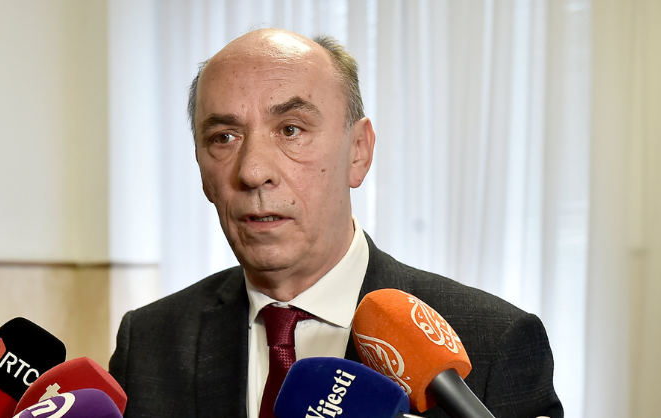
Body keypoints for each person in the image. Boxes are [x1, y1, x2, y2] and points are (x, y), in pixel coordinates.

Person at [109, 28, 563, 418]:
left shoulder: (492, 344)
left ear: (358, 152)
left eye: (291, 129)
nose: (252, 171)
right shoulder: (148, 343)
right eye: (224, 137)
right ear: (201, 168)